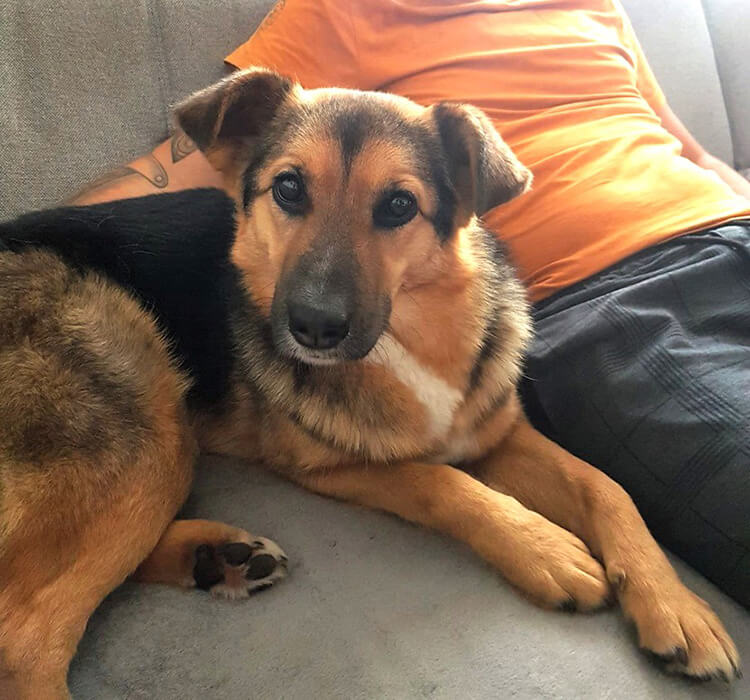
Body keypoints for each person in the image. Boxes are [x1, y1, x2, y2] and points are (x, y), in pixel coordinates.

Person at [71, 0, 750, 607]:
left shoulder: (598, 6)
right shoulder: (343, 12)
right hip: (621, 289)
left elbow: (688, 147)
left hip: (730, 228)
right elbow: (181, 160)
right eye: (292, 192)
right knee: (149, 452)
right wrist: (466, 507)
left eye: (395, 206)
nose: (320, 305)